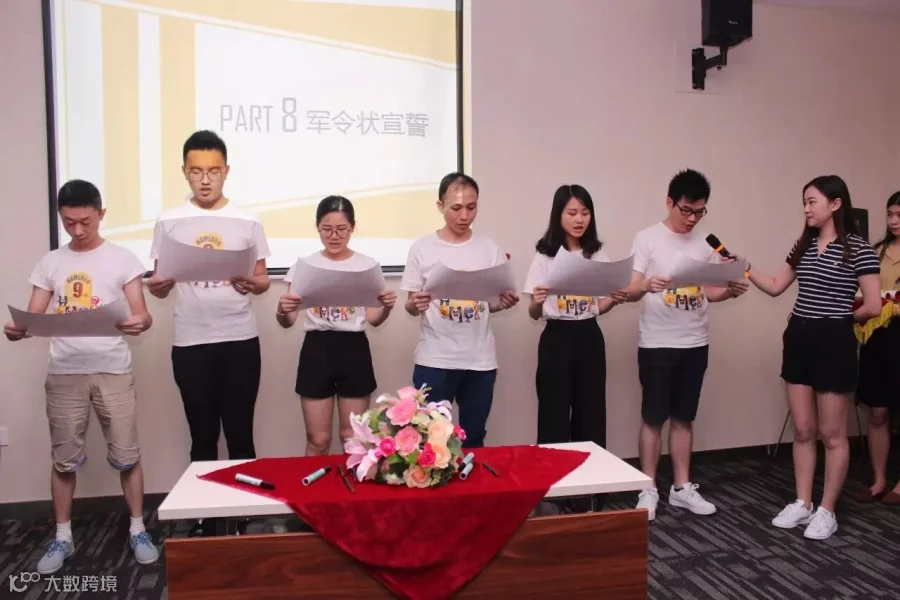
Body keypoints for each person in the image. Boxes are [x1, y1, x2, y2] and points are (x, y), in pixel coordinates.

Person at [3, 180, 158, 573]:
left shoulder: (122, 259)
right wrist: (20, 329)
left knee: (127, 456)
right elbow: (34, 314)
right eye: (69, 222)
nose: (77, 230)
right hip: (65, 373)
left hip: (113, 369)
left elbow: (142, 313)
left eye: (85, 221)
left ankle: (138, 529)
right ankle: (62, 536)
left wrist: (140, 322)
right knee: (64, 460)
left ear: (101, 214)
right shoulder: (51, 262)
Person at [147, 130, 271, 536]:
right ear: (185, 172)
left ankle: (245, 511)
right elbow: (160, 280)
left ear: (226, 171)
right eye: (196, 171)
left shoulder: (248, 219)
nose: (205, 180)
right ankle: (205, 514)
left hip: (240, 339)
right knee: (202, 435)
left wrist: (253, 284)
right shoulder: (169, 220)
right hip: (190, 342)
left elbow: (262, 280)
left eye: (213, 171)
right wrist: (158, 286)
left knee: (240, 432)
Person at [744, 175, 881, 540]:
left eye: (812, 202)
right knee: (803, 430)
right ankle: (803, 502)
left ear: (835, 205)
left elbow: (872, 305)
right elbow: (776, 286)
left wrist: (842, 320)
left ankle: (827, 510)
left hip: (834, 341)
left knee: (832, 434)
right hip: (799, 337)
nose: (806, 209)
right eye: (804, 202)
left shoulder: (859, 249)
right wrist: (744, 267)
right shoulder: (803, 245)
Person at [625, 168, 749, 522]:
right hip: (657, 341)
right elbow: (630, 290)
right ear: (670, 202)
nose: (692, 219)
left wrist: (730, 290)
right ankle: (648, 487)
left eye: (699, 212)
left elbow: (709, 292)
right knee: (653, 418)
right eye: (686, 210)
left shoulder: (706, 242)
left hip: (695, 341)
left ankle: (681, 487)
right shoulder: (647, 238)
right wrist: (647, 285)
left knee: (683, 417)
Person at [400, 172, 519, 448]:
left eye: (471, 207)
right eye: (456, 208)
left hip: (480, 361)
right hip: (435, 360)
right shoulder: (422, 248)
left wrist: (503, 302)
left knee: (474, 437)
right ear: (440, 206)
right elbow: (410, 303)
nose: (464, 216)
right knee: (431, 440)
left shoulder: (488, 248)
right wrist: (414, 304)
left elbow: (491, 302)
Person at [276, 196, 396, 456]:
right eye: (326, 229)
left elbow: (374, 318)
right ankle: (314, 484)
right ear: (317, 227)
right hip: (316, 349)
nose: (334, 236)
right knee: (318, 439)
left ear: (352, 227)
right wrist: (281, 309)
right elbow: (287, 321)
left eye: (342, 229)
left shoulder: (367, 265)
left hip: (353, 349)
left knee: (352, 437)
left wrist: (386, 307)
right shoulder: (304, 266)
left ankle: (352, 484)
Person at [855, 191, 900, 504]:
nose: (894, 221)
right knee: (878, 410)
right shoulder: (876, 251)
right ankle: (879, 479)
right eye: (890, 214)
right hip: (877, 335)